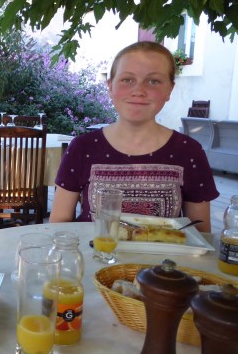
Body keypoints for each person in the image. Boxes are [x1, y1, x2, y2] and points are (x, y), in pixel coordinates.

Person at [50, 41, 219, 232]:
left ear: (169, 90)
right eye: (127, 80)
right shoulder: (82, 148)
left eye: (153, 81)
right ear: (110, 86)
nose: (139, 91)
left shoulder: (189, 152)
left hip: (165, 253)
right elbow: (58, 226)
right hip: (92, 251)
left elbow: (201, 234)